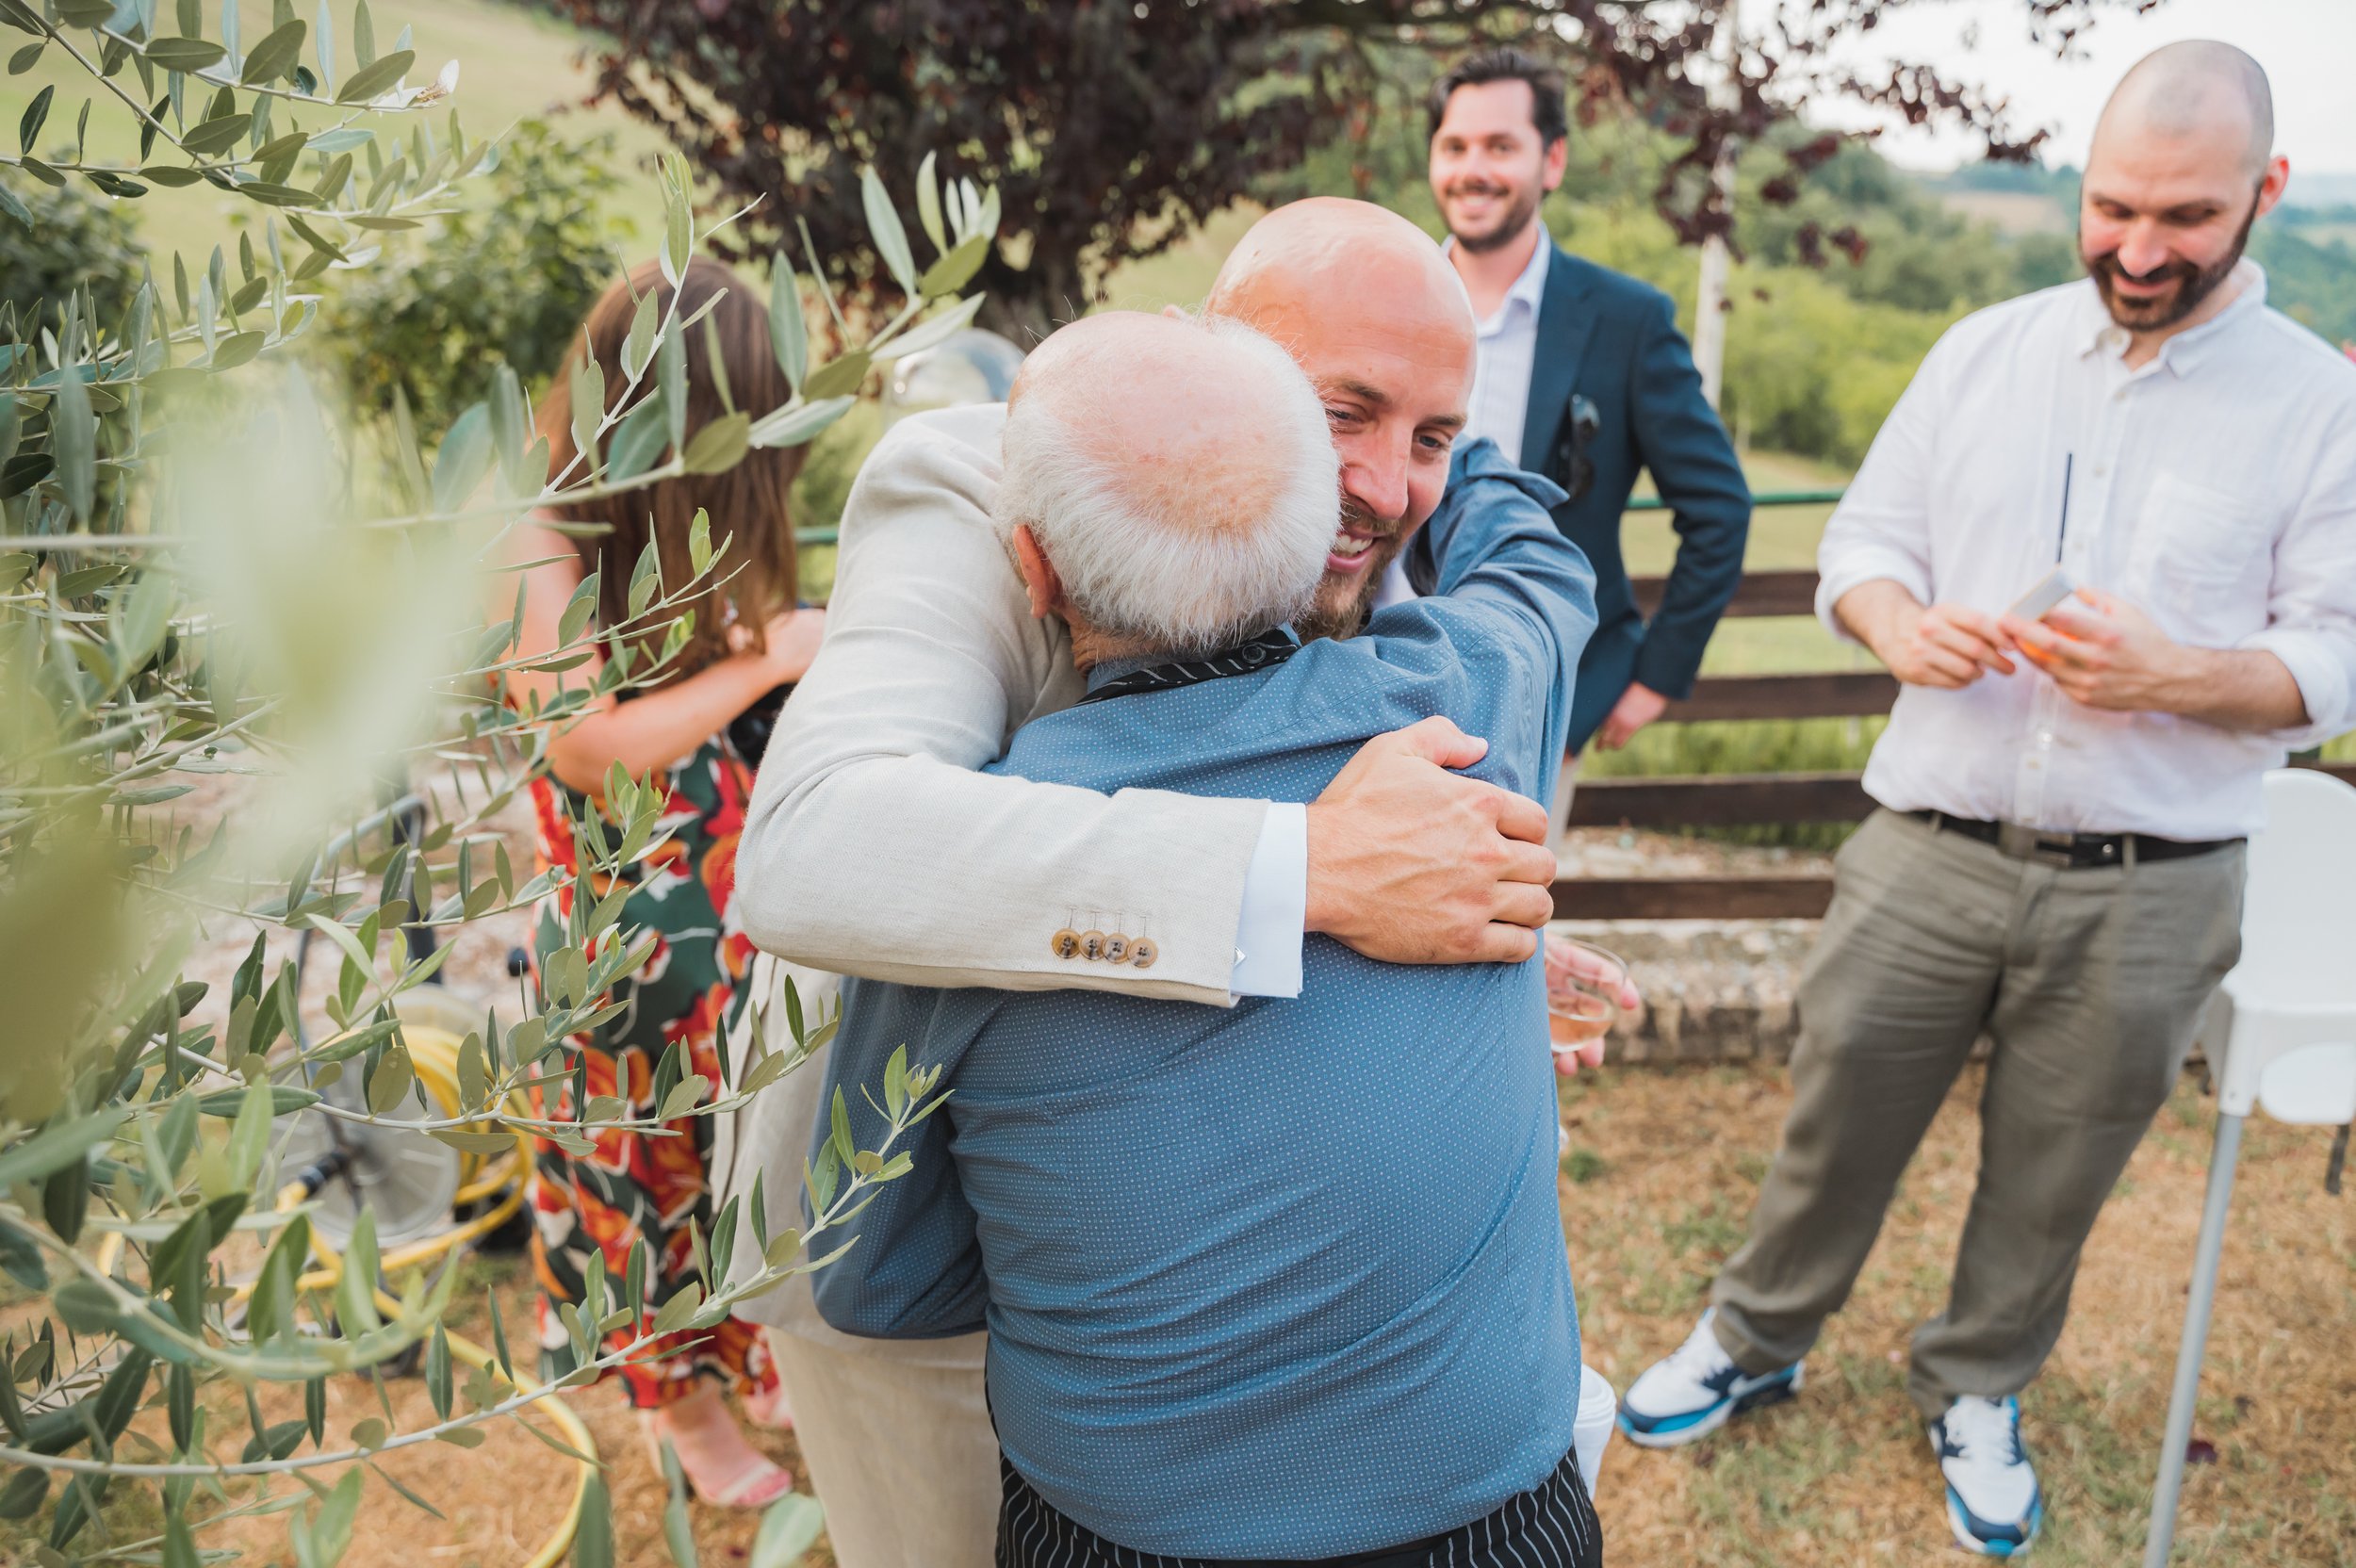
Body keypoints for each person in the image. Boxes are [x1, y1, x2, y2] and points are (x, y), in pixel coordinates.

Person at [718, 199, 1583, 1568]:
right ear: (1211, 355)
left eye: (1433, 439)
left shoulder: (1337, 530)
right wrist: (1309, 874)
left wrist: (1463, 920)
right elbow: (815, 845)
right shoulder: (976, 480)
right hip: (897, 1178)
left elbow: (1321, 753)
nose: (1386, 485)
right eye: (1343, 411)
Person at [1616, 41, 2356, 1558]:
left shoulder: (2324, 407)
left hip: (2159, 881)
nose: (2138, 252)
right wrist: (1894, 623)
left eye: (2188, 219)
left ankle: (1978, 1386)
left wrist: (2183, 674)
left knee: (2057, 1164)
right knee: (1832, 1120)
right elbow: (1862, 544)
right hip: (1925, 844)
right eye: (2112, 208)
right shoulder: (1981, 349)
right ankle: (1755, 1337)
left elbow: (2336, 660)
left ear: (2266, 194)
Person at [508, 257, 826, 1508]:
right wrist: (762, 664)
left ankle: (752, 1354)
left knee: (748, 1146)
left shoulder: (688, 520)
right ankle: (688, 1417)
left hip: (734, 902)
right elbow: (582, 745)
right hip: (618, 935)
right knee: (642, 1178)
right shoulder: (533, 527)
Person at [1423, 48, 1751, 776]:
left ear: (1554, 160)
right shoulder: (1379, 295)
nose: (1473, 168)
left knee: (1507, 896)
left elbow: (1720, 510)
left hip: (1544, 706)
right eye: (1455, 146)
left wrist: (1655, 676)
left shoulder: (1628, 321)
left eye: (1501, 146)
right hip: (1370, 689)